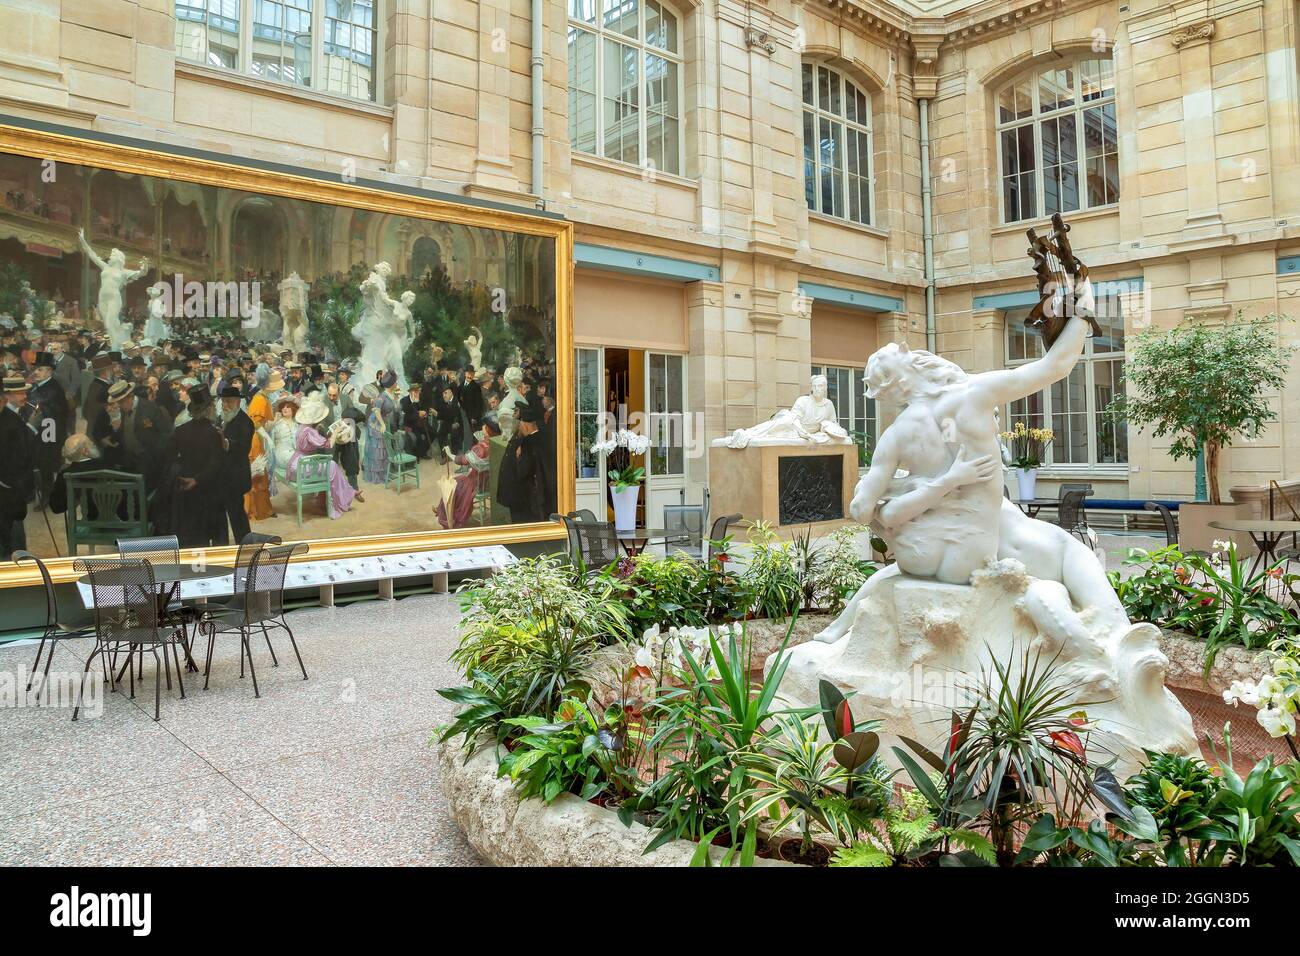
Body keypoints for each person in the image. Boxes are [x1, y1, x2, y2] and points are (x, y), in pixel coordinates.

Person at [159, 385, 225, 548]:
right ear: (209, 409)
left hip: (185, 489)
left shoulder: (180, 431)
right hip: (208, 491)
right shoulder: (214, 433)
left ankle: (193, 569)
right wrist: (197, 479)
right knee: (209, 537)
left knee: (190, 537)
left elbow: (169, 458)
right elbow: (216, 464)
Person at [287, 391, 362, 517]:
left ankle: (345, 493)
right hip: (303, 468)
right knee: (332, 466)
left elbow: (310, 441)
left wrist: (318, 430)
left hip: (297, 463)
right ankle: (347, 495)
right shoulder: (310, 432)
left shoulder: (302, 427)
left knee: (331, 466)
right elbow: (328, 444)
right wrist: (337, 430)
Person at [436, 420, 497, 529]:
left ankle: (449, 515)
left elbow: (463, 460)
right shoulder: (495, 444)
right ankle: (443, 509)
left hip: (477, 481)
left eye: (484, 429)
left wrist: (450, 454)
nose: (481, 430)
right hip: (488, 480)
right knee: (458, 481)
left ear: (488, 433)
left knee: (454, 486)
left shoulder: (481, 448)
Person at [0, 374, 35, 559]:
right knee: (11, 527)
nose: (24, 396)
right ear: (8, 395)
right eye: (19, 392)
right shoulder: (7, 418)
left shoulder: (20, 413)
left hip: (18, 483)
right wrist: (7, 481)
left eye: (24, 391)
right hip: (10, 484)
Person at [496, 404, 545, 523]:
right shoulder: (526, 439)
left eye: (520, 422)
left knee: (521, 523)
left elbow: (523, 472)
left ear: (525, 424)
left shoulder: (528, 443)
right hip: (517, 495)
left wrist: (518, 459)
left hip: (521, 496)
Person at [217, 385, 254, 545]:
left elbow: (244, 448)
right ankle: (222, 548)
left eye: (229, 402)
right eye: (224, 402)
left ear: (238, 402)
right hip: (222, 477)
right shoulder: (223, 418)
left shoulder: (245, 422)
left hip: (236, 478)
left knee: (237, 515)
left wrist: (225, 443)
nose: (226, 405)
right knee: (221, 517)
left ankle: (246, 548)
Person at [243, 369, 280, 521]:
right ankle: (253, 511)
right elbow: (256, 423)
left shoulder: (265, 398)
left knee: (261, 476)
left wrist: (276, 420)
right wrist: (269, 439)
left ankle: (263, 509)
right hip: (254, 440)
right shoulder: (259, 399)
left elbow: (265, 424)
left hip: (259, 438)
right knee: (256, 474)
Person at [400, 382, 433, 459]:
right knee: (418, 438)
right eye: (415, 391)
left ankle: (422, 452)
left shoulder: (418, 399)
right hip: (409, 425)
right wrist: (418, 414)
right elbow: (405, 417)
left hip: (420, 423)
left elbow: (424, 409)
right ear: (410, 392)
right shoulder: (404, 401)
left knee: (433, 432)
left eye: (418, 391)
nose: (417, 393)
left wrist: (425, 413)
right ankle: (416, 456)